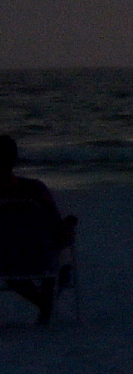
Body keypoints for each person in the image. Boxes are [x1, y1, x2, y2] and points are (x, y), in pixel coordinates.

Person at [0, 134, 77, 324]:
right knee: (60, 247)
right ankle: (46, 301)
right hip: (38, 257)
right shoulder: (34, 189)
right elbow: (55, 226)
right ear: (15, 159)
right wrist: (68, 226)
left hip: (3, 258)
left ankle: (43, 303)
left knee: (11, 260)